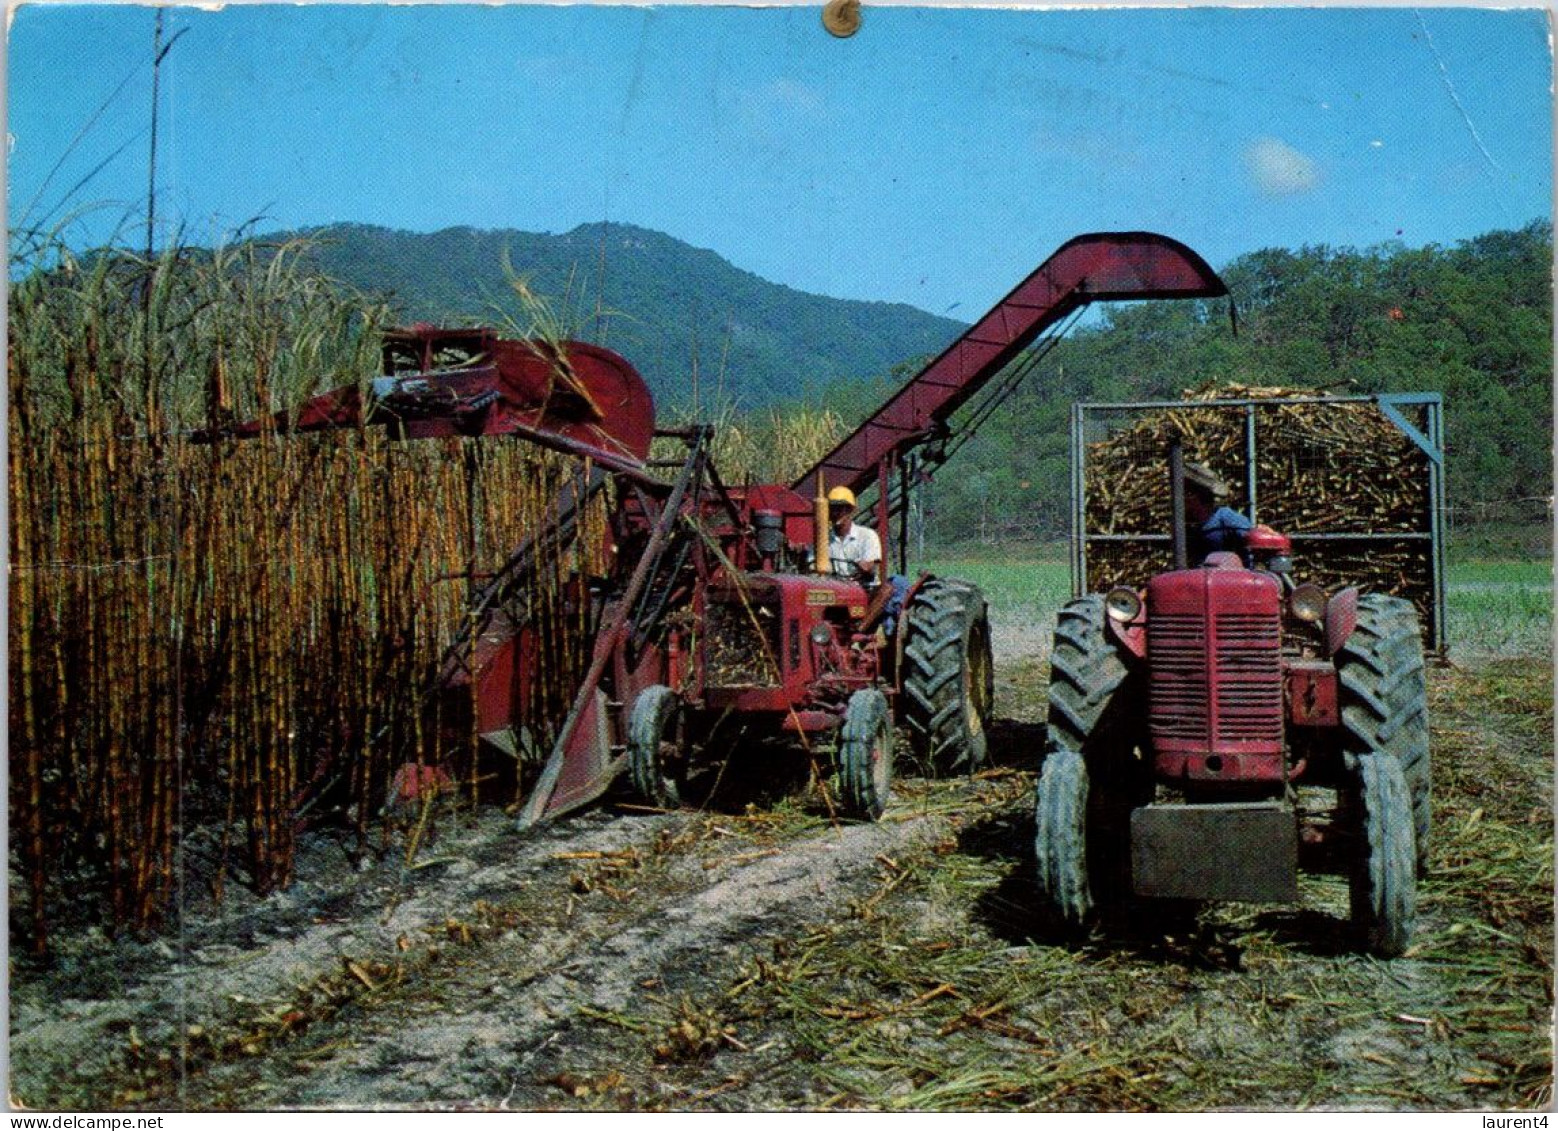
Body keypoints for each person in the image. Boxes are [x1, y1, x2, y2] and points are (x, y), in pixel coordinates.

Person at [1182, 463, 1254, 563]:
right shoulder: (1187, 525)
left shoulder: (1230, 521)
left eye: (1183, 492)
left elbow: (1252, 554)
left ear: (1192, 495)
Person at [826, 486, 882, 582]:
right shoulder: (822, 541)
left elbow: (870, 567)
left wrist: (865, 567)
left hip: (863, 589)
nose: (835, 513)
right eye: (832, 509)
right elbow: (812, 567)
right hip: (834, 591)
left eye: (840, 509)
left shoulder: (867, 536)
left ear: (850, 510)